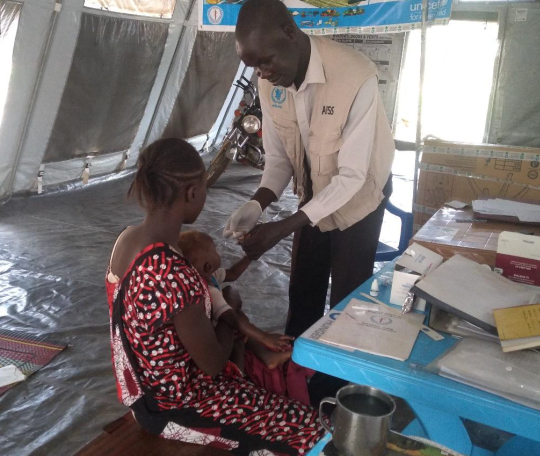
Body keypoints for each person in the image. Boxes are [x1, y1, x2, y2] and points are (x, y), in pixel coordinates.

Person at [106, 138, 324, 455]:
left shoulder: (126, 241)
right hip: (178, 407)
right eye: (205, 188)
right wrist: (230, 309)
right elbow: (212, 364)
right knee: (310, 430)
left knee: (275, 377)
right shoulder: (175, 274)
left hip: (143, 394)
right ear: (192, 193)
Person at [227, 0, 395, 341]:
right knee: (303, 289)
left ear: (290, 34)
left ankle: (337, 385)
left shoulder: (355, 76)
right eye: (253, 66)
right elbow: (279, 160)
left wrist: (283, 228)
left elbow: (351, 177)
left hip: (360, 197)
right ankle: (297, 374)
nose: (262, 73)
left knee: (347, 298)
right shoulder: (269, 81)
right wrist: (256, 204)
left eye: (265, 61)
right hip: (314, 193)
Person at [177, 230, 293, 369]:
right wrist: (265, 337)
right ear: (208, 266)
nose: (218, 252)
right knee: (240, 328)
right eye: (215, 250)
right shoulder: (210, 292)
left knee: (239, 317)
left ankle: (265, 356)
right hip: (216, 338)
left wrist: (250, 256)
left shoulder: (210, 274)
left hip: (218, 326)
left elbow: (232, 274)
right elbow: (233, 319)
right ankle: (239, 374)